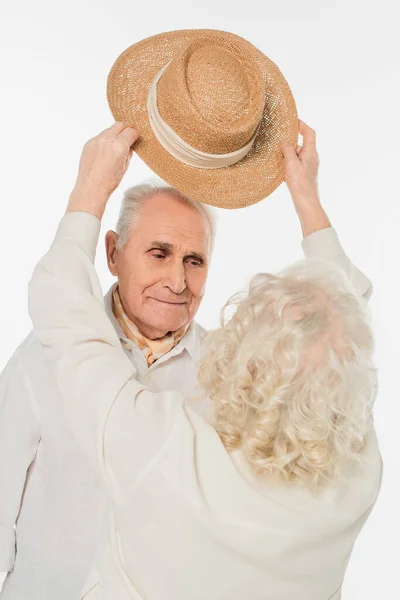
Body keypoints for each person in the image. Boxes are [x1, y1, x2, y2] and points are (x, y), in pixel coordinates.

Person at [0, 118, 354, 599]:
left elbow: (335, 331)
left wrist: (90, 185)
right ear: (112, 252)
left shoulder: (231, 379)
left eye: (194, 260)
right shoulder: (45, 355)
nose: (178, 281)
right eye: (159, 253)